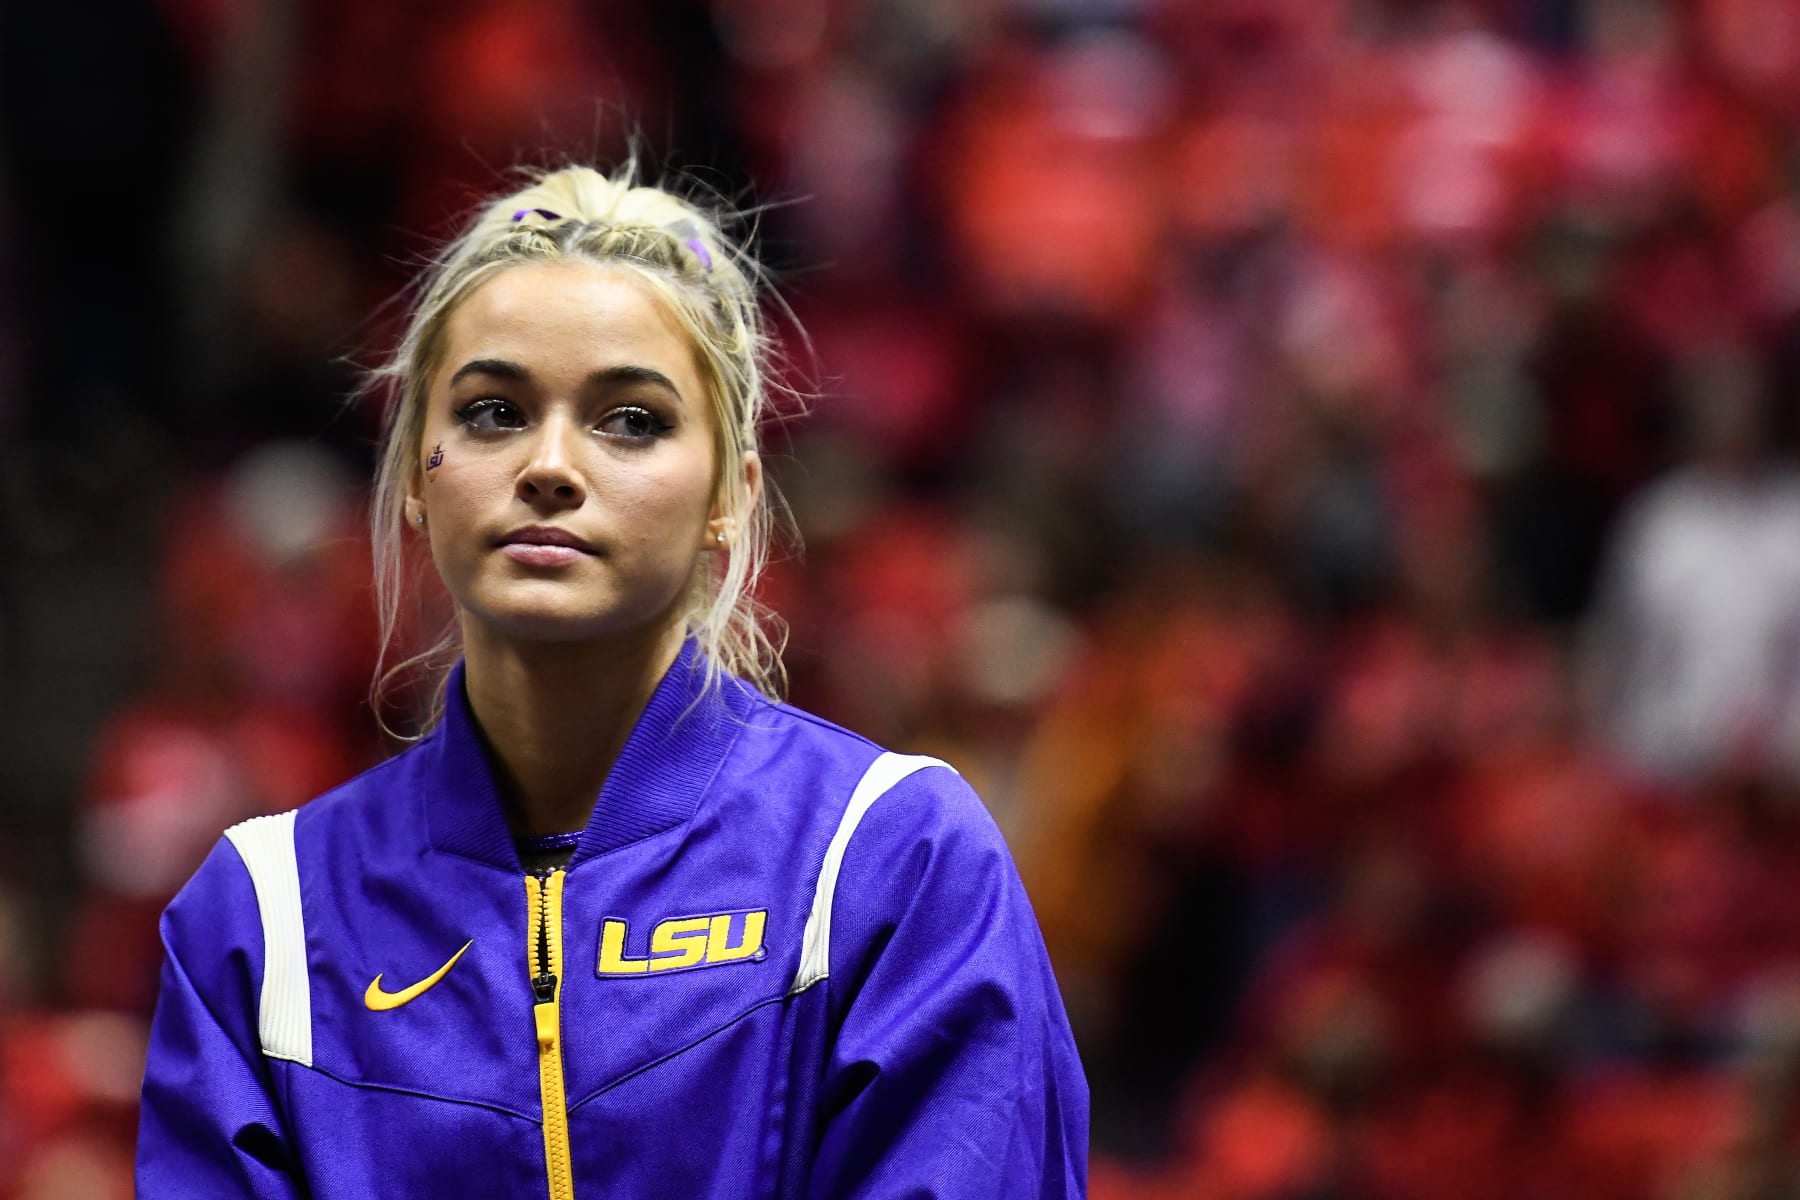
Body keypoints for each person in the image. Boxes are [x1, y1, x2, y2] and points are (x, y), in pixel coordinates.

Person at [134, 164, 1089, 1197]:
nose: (550, 464)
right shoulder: (262, 918)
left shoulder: (891, 860)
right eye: (494, 411)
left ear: (731, 492)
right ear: (416, 474)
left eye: (631, 419)